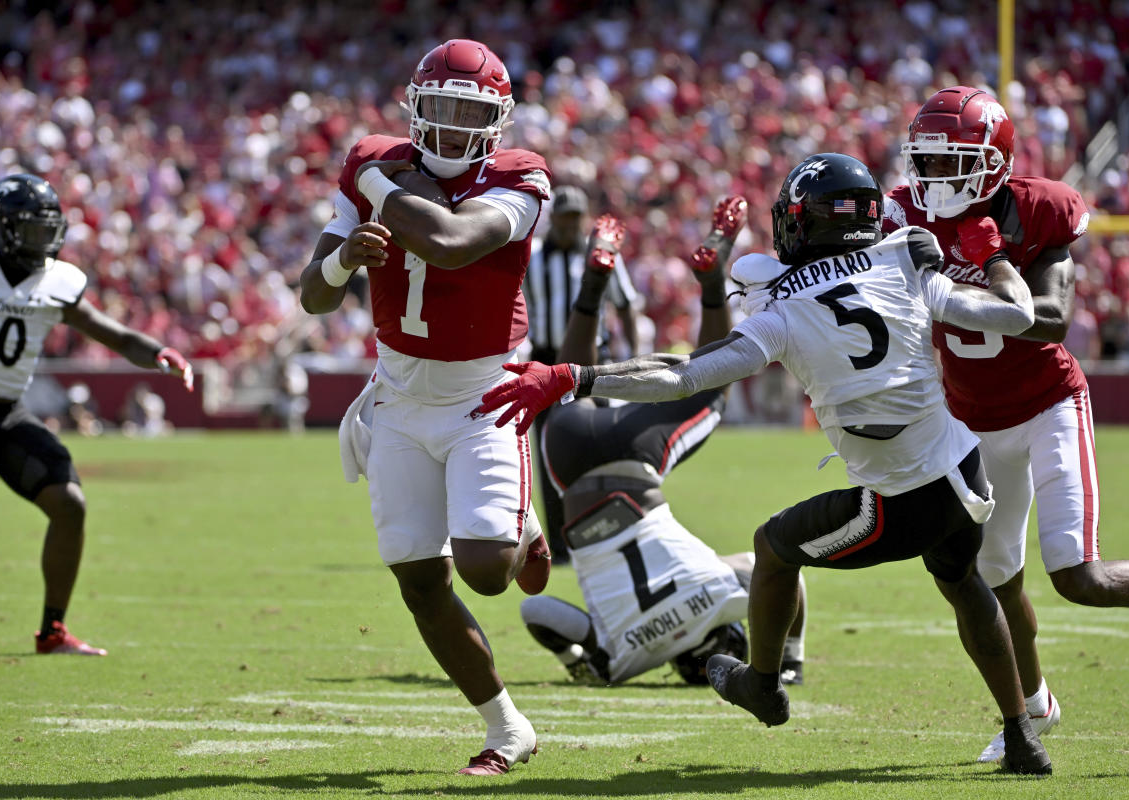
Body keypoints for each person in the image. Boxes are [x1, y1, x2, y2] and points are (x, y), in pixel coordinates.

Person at [477, 153, 1053, 776]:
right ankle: (1022, 730)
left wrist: (575, 377)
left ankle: (762, 682)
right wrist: (995, 258)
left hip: (897, 498)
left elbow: (683, 375)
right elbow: (1019, 315)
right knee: (963, 581)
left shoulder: (783, 305)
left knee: (774, 549)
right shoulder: (906, 264)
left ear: (808, 223)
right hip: (964, 475)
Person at [298, 39, 552, 777]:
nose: (446, 128)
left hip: (483, 392)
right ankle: (508, 730)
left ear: (496, 120)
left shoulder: (520, 175)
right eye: (435, 110)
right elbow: (310, 295)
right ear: (413, 107)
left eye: (465, 113)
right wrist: (346, 259)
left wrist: (376, 184)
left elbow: (449, 240)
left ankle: (522, 526)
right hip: (400, 395)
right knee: (418, 580)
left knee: (485, 570)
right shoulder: (375, 164)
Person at [886, 85, 1129, 763]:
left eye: (950, 163)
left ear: (991, 161)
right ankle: (1030, 708)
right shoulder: (904, 214)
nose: (933, 179)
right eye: (927, 162)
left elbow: (1051, 321)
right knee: (991, 581)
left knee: (1078, 577)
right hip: (969, 424)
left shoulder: (1036, 210)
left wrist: (993, 258)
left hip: (1046, 404)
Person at [520, 196, 810, 687]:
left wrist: (788, 662)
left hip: (632, 462)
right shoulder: (620, 659)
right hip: (574, 463)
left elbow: (789, 577)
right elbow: (538, 612)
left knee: (711, 386)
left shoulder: (726, 593)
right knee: (576, 392)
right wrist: (583, 663)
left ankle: (701, 285)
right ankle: (600, 291)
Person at [0, 173, 194, 656]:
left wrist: (160, 351)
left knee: (69, 503)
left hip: (6, 414)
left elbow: (111, 333)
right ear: (1, 226)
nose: (44, 239)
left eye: (47, 228)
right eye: (32, 229)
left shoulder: (56, 279)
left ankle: (53, 631)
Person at [523, 185, 640, 563]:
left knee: (597, 447)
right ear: (552, 218)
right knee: (547, 453)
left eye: (577, 218)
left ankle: (603, 533)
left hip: (593, 363)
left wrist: (631, 355)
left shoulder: (601, 254)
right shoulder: (534, 256)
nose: (571, 225)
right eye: (565, 217)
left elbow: (625, 305)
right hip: (545, 361)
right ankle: (559, 546)